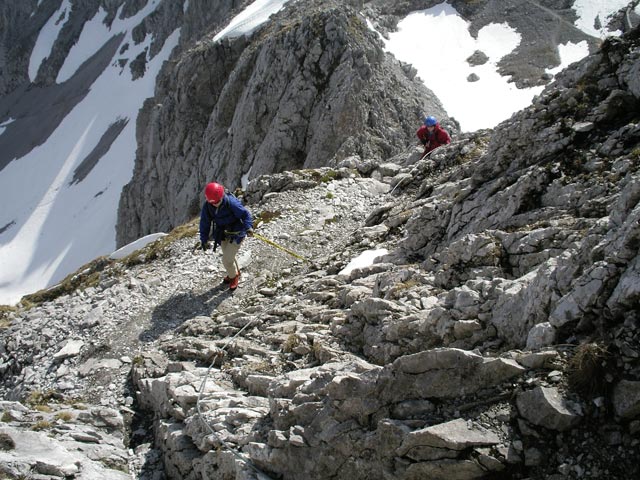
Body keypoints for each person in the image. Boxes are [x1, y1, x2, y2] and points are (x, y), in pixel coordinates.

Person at [199, 182, 253, 290]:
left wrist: (248, 227)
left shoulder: (231, 202)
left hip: (237, 232)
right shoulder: (208, 206)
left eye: (217, 202)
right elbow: (205, 223)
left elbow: (245, 214)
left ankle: (234, 276)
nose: (215, 204)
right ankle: (234, 272)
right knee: (228, 255)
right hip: (222, 233)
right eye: (213, 203)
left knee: (226, 259)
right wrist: (204, 239)